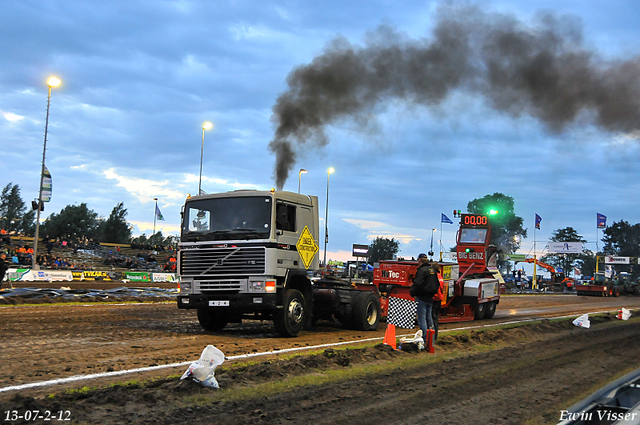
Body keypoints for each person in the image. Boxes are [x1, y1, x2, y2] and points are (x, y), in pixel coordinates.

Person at [410, 253, 437, 349]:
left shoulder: (421, 271)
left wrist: (412, 292)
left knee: (422, 319)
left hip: (422, 297)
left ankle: (425, 339)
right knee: (429, 318)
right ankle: (431, 338)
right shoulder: (432, 270)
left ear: (419, 260)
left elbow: (417, 284)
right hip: (430, 297)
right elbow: (436, 284)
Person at [431, 262, 444, 341]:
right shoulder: (440, 277)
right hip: (439, 299)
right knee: (435, 318)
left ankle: (433, 336)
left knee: (432, 318)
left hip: (434, 299)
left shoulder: (434, 277)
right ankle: (435, 335)